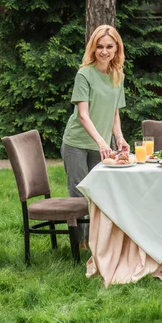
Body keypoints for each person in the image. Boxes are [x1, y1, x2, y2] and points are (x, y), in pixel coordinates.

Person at [61, 24, 129, 246]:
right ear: (93, 48)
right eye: (99, 46)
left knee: (99, 192)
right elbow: (83, 115)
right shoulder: (85, 74)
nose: (104, 51)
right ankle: (79, 245)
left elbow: (114, 113)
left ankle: (96, 242)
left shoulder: (118, 74)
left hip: (103, 145)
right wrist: (101, 140)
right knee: (79, 193)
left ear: (116, 48)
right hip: (78, 143)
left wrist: (118, 138)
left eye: (109, 46)